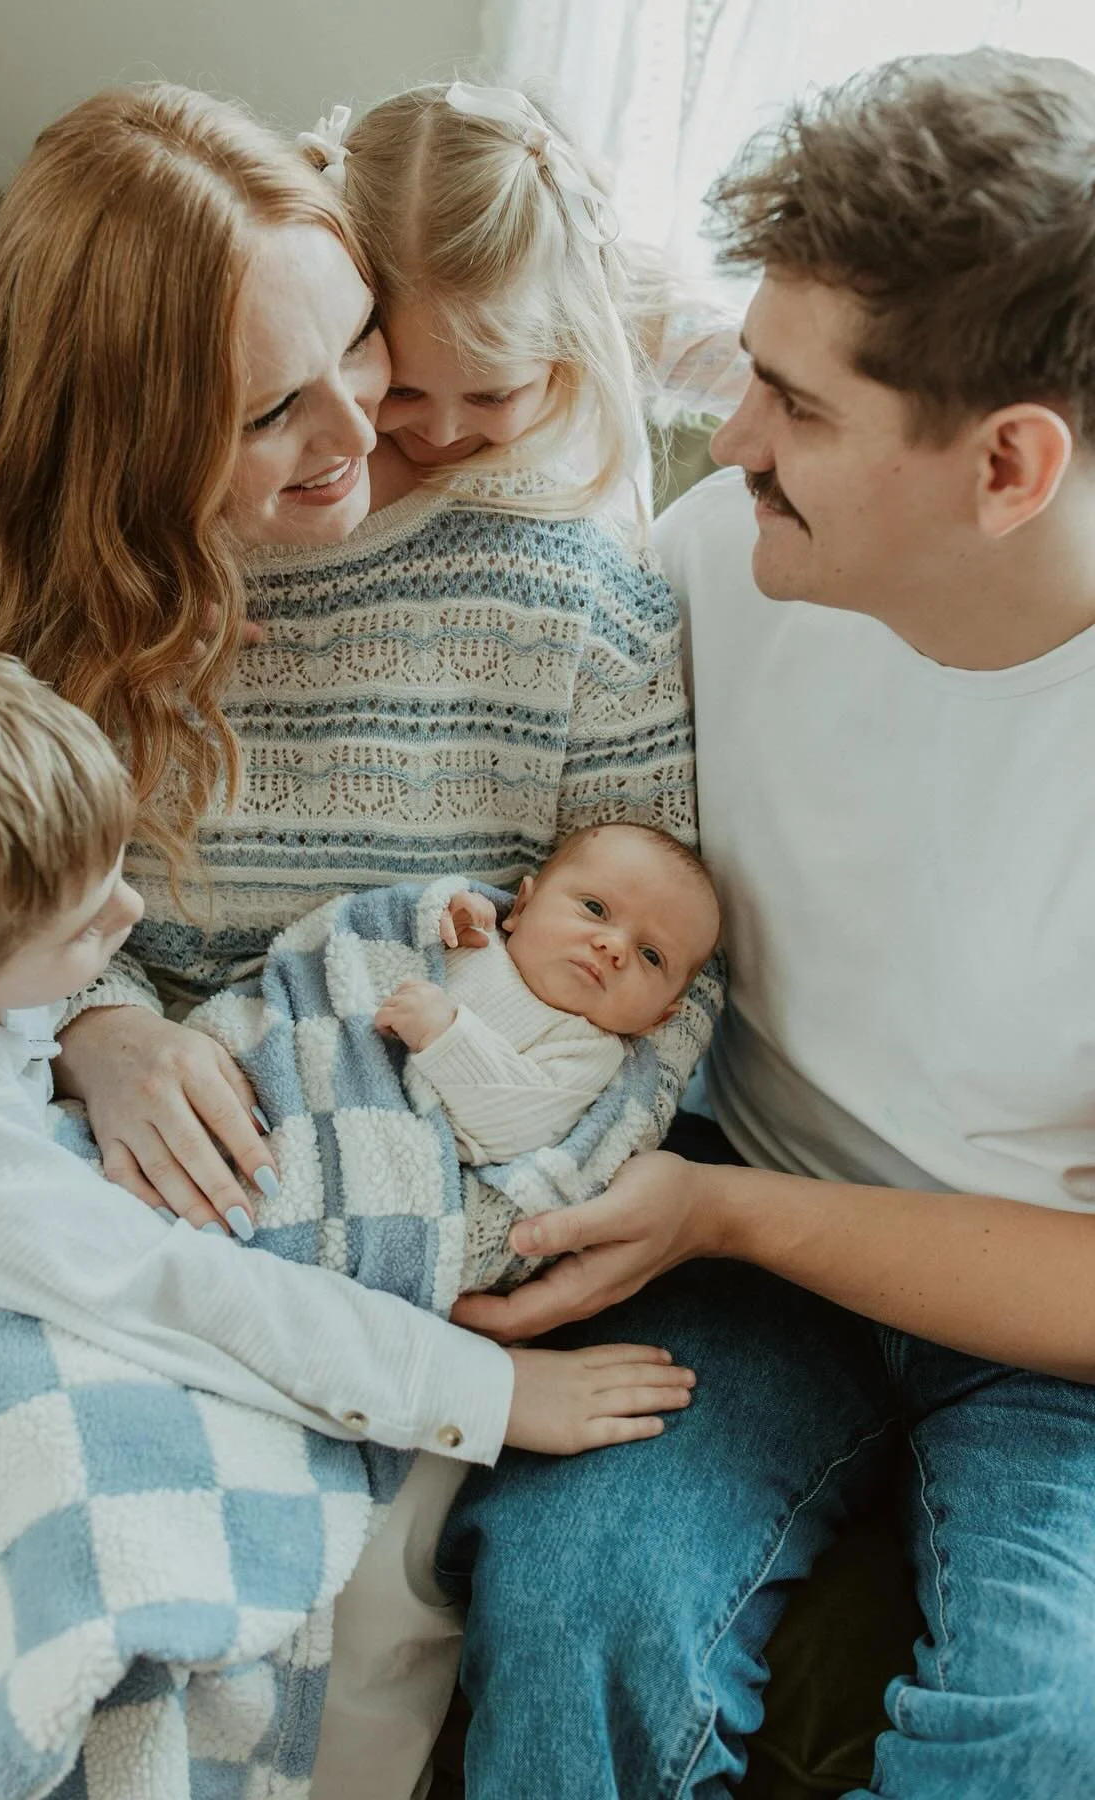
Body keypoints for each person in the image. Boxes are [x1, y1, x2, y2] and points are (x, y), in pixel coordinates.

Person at [0, 83, 708, 1800]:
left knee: (326, 1555)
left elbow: (657, 959)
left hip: (434, 1147)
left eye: (354, 353)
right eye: (272, 410)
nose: (372, 444)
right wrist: (103, 1026)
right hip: (159, 1129)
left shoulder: (577, 598)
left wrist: (525, 1144)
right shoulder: (55, 596)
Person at [0, 646, 678, 1800]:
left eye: (116, 863)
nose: (132, 912)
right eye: (87, 932)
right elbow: (166, 1289)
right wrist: (486, 1391)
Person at [440, 50, 1095, 1800]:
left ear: (1011, 464)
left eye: (797, 408)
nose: (730, 436)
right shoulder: (724, 556)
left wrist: (728, 1212)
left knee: (1043, 1733)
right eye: (746, 373)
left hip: (1046, 1326)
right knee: (578, 1608)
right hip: (726, 1226)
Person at [334, 79, 749, 520]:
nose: (440, 433)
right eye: (401, 391)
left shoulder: (608, 320)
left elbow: (800, 385)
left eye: (492, 398)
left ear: (570, 337)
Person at [375, 823, 721, 1172]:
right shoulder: (476, 933)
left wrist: (445, 1034)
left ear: (656, 1018)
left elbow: (514, 1129)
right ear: (522, 907)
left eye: (651, 956)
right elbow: (379, 946)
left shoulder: (589, 1050)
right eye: (595, 909)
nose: (614, 947)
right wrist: (433, 918)